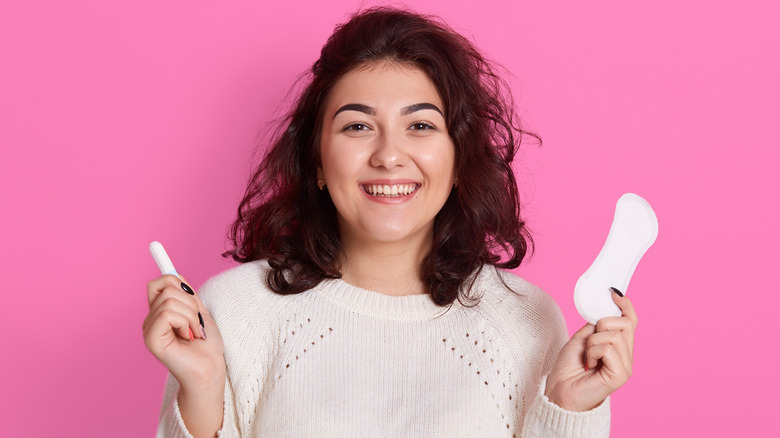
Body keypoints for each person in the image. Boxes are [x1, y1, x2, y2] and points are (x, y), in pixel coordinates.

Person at [143, 7, 637, 437]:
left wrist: (570, 410)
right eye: (358, 126)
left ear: (458, 157)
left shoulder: (525, 320)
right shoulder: (232, 313)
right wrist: (204, 390)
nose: (389, 156)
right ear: (316, 161)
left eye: (420, 126)